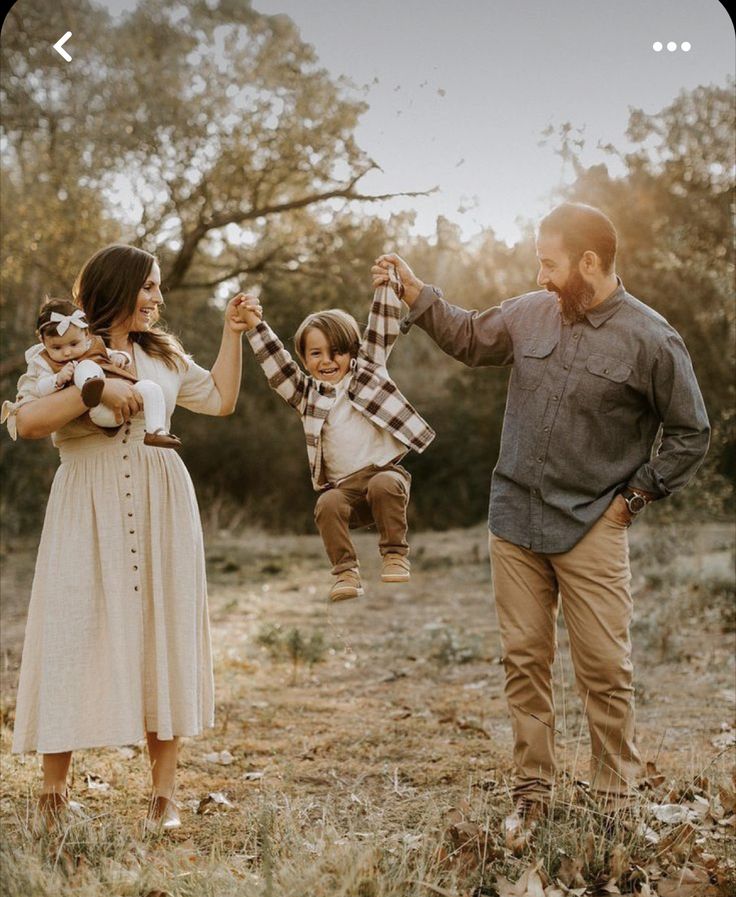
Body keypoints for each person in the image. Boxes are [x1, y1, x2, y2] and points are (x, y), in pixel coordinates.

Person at [371, 203, 710, 839]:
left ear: (589, 262)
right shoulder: (530, 312)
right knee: (523, 661)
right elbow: (469, 337)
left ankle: (613, 801)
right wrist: (417, 293)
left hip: (592, 525)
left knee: (605, 669)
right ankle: (531, 793)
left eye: (549, 262)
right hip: (515, 520)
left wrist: (632, 500)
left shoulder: (653, 339)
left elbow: (692, 434)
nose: (540, 272)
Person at [4, 243, 251, 833]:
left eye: (160, 287)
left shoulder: (161, 354)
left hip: (161, 495)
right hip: (84, 501)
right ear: (117, 287)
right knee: (70, 628)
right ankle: (53, 796)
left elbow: (220, 399)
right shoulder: (60, 350)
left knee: (161, 630)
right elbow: (29, 423)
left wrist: (232, 332)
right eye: (149, 287)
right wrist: (97, 392)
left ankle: (164, 798)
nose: (158, 298)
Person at [237, 266, 435, 602]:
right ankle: (345, 573)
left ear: (353, 351)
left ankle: (395, 554)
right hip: (344, 490)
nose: (327, 361)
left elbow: (382, 329)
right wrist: (255, 323)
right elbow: (277, 365)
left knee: (384, 484)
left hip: (384, 477)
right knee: (326, 503)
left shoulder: (368, 372)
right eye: (316, 354)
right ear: (304, 357)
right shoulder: (306, 395)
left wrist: (386, 285)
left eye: (337, 352)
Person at [2, 297, 181, 449]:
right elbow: (40, 389)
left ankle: (156, 431)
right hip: (97, 409)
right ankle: (92, 386)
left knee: (150, 387)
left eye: (73, 344)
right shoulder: (44, 363)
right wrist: (58, 378)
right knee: (84, 366)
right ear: (42, 340)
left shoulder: (95, 345)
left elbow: (114, 355)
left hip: (121, 405)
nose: (66, 352)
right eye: (57, 347)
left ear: (86, 334)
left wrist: (121, 358)